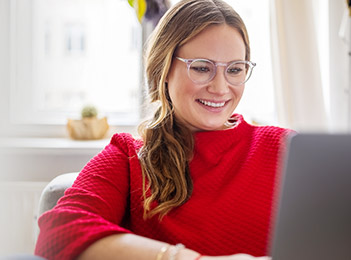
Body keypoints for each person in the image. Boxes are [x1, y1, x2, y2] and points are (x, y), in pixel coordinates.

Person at [35, 0, 292, 259]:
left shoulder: (285, 148)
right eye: (202, 68)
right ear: (164, 69)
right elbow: (57, 234)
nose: (220, 88)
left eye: (235, 70)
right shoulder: (129, 156)